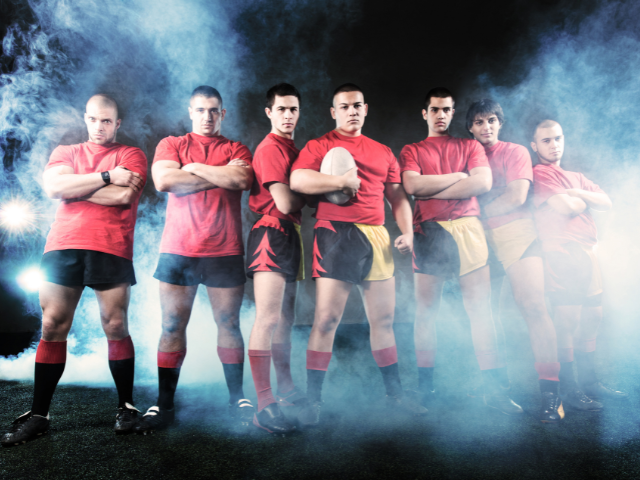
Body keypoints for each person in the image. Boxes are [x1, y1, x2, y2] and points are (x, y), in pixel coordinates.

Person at [1, 94, 147, 446]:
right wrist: (107, 177)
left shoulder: (132, 155)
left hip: (110, 244)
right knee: (52, 326)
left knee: (115, 324)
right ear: (86, 119)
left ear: (118, 123)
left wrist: (77, 188)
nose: (100, 127)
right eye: (95, 120)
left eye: (107, 121)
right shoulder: (66, 152)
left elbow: (123, 198)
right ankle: (39, 415)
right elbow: (53, 188)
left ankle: (126, 407)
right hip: (63, 244)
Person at [290, 83, 426, 427]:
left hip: (376, 235)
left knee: (383, 321)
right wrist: (336, 184)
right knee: (326, 320)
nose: (352, 111)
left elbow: (397, 197)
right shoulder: (319, 145)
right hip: (335, 232)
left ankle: (395, 397)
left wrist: (407, 232)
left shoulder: (382, 151)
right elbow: (298, 179)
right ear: (334, 112)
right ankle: (313, 401)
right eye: (344, 106)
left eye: (357, 105)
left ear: (366, 109)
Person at [136, 86, 254, 433]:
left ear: (223, 113)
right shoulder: (171, 144)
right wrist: (220, 176)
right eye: (200, 110)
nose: (207, 116)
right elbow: (164, 180)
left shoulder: (236, 148)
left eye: (213, 110)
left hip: (225, 249)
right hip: (179, 248)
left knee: (229, 325)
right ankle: (164, 404)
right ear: (190, 111)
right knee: (172, 326)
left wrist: (196, 168)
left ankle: (238, 398)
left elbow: (243, 178)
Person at [400, 88, 522, 415]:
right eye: (435, 110)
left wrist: (433, 189)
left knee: (480, 312)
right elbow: (412, 187)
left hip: (468, 228)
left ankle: (494, 391)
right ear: (424, 113)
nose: (441, 115)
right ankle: (426, 391)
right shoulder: (412, 149)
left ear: (454, 114)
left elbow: (481, 183)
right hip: (428, 231)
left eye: (447, 110)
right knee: (426, 313)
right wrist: (457, 178)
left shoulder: (469, 145)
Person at [467, 99, 562, 422]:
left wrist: (475, 215)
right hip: (477, 236)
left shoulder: (515, 151)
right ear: (470, 128)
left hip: (514, 231)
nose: (486, 127)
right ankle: (494, 389)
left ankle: (551, 393)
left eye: (492, 120)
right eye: (479, 122)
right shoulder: (465, 154)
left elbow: (516, 197)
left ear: (500, 123)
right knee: (481, 314)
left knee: (534, 307)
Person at [531, 119, 626, 411]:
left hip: (588, 250)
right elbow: (566, 208)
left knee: (593, 317)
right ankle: (570, 390)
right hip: (562, 249)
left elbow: (607, 202)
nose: (553, 144)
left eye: (557, 138)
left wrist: (577, 193)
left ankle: (590, 382)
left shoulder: (576, 176)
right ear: (535, 146)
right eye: (546, 140)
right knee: (568, 321)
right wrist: (582, 199)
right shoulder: (538, 173)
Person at [246, 83, 306, 434]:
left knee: (285, 319)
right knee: (268, 319)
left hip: (289, 234)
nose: (287, 115)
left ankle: (285, 390)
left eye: (293, 109)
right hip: (271, 231)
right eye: (281, 109)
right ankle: (264, 405)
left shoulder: (292, 147)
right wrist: (314, 191)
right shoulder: (270, 148)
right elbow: (285, 203)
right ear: (269, 112)